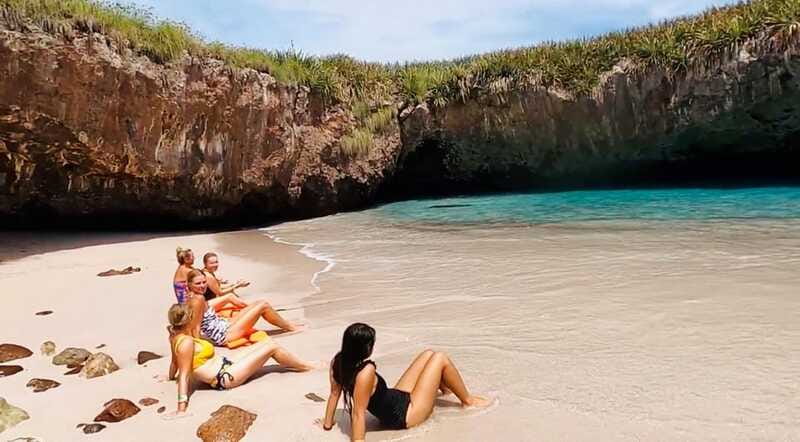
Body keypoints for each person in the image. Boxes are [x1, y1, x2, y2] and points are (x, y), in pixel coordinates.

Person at [320, 323, 490, 441]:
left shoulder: (339, 362)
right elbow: (358, 413)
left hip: (396, 399)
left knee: (428, 354)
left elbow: (334, 394)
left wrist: (327, 424)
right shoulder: (366, 371)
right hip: (405, 415)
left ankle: (445, 392)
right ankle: (468, 401)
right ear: (363, 348)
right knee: (440, 358)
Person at [166, 303, 314, 413]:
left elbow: (174, 362)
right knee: (272, 347)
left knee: (266, 342)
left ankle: (301, 365)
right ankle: (307, 367)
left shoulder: (175, 337)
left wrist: (170, 377)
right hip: (224, 377)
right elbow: (184, 375)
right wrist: (181, 408)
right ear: (188, 320)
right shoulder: (186, 343)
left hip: (225, 365)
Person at [185, 269, 301, 347]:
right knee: (263, 305)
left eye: (204, 282)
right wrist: (198, 347)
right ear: (189, 284)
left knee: (258, 303)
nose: (202, 286)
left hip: (224, 325)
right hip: (224, 335)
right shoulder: (198, 299)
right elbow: (195, 326)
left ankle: (287, 324)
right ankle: (291, 327)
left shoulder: (194, 296)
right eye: (198, 283)